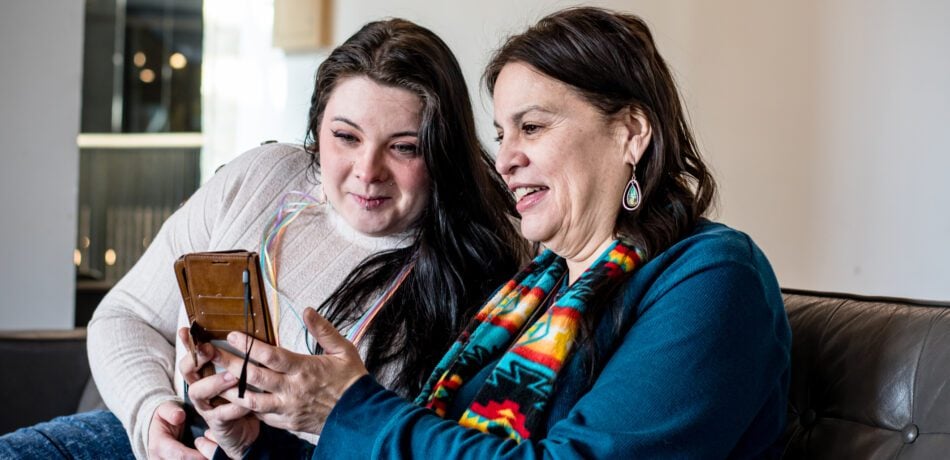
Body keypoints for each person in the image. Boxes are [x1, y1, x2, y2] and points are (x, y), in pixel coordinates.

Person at [187, 7, 792, 459]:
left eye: (532, 127)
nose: (505, 161)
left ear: (631, 131)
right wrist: (255, 440)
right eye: (503, 135)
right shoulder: (532, 289)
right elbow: (426, 446)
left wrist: (348, 406)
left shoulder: (712, 278)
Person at [0, 18, 528, 459]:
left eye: (404, 148)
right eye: (345, 137)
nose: (368, 172)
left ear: (443, 152)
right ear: (317, 127)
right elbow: (125, 316)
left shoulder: (486, 272)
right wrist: (151, 417)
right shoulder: (262, 177)